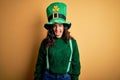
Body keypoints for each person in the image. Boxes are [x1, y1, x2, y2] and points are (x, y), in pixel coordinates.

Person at [34, 2, 81, 80]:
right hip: (47, 76)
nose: (57, 29)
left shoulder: (72, 43)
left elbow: (76, 64)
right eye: (54, 25)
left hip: (66, 77)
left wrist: (75, 78)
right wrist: (37, 78)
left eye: (60, 25)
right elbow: (40, 63)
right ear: (51, 28)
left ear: (64, 26)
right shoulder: (45, 43)